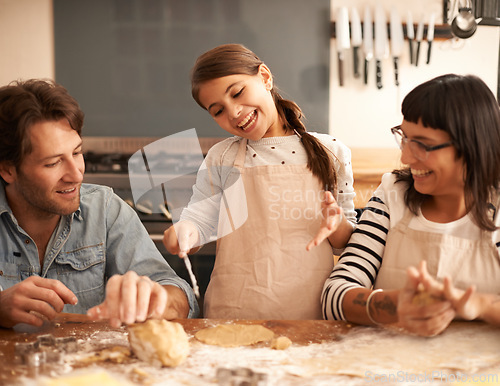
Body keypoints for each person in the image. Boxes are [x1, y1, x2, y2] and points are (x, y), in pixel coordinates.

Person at [163, 43, 357, 319]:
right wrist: (184, 232)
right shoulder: (222, 156)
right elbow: (200, 221)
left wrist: (336, 224)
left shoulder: (332, 152)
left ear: (265, 77)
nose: (234, 112)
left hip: (310, 316)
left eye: (238, 93)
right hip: (233, 314)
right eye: (218, 110)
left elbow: (346, 244)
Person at [0, 79, 198, 329]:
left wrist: (158, 301)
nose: (76, 174)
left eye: (76, 153)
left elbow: (179, 295)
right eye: (52, 163)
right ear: (8, 170)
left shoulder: (105, 210)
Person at [322, 74, 500, 336]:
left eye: (423, 145)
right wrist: (393, 307)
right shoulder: (392, 195)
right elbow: (334, 294)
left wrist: (480, 305)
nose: (405, 156)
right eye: (404, 138)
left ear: (472, 146)